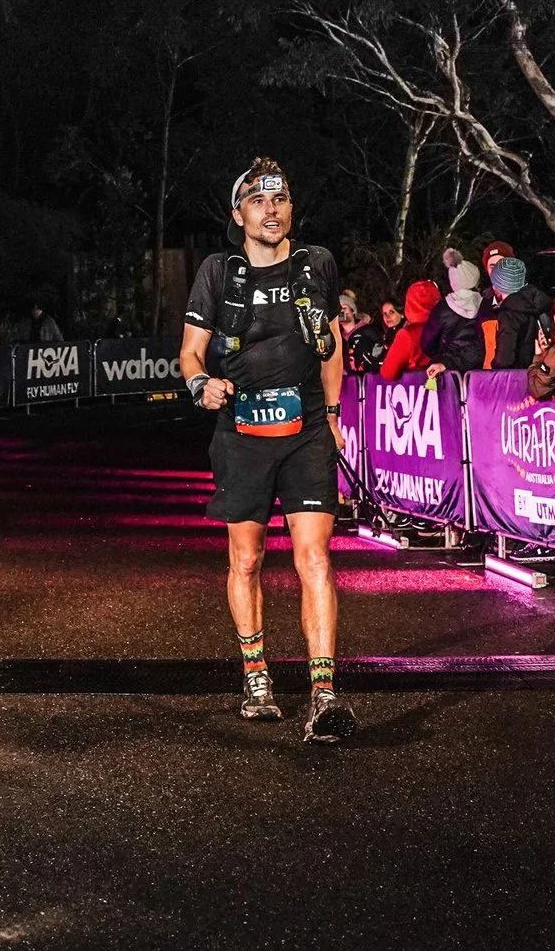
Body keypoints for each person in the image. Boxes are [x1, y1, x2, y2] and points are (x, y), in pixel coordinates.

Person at [180, 158, 355, 744]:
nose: (272, 209)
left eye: (279, 200)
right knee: (247, 561)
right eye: (258, 201)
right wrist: (202, 385)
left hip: (305, 430)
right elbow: (190, 353)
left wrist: (331, 416)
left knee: (314, 559)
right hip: (242, 435)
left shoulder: (317, 265)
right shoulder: (217, 272)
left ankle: (324, 696)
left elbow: (331, 347)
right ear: (239, 215)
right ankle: (257, 680)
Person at [419, 249, 489, 372]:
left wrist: (442, 357)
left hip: (445, 370)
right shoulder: (486, 306)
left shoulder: (442, 309)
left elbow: (427, 343)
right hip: (477, 373)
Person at [482, 256, 553, 372]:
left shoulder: (509, 312)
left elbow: (505, 358)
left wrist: (494, 367)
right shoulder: (538, 302)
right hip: (538, 374)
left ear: (498, 283)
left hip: (515, 378)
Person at [381, 279, 440, 380]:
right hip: (450, 389)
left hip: (416, 388)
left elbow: (388, 372)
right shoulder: (447, 326)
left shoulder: (408, 333)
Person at [344, 297, 397, 376]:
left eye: (392, 312)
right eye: (384, 314)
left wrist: (370, 361)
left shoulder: (367, 330)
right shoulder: (337, 335)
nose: (387, 317)